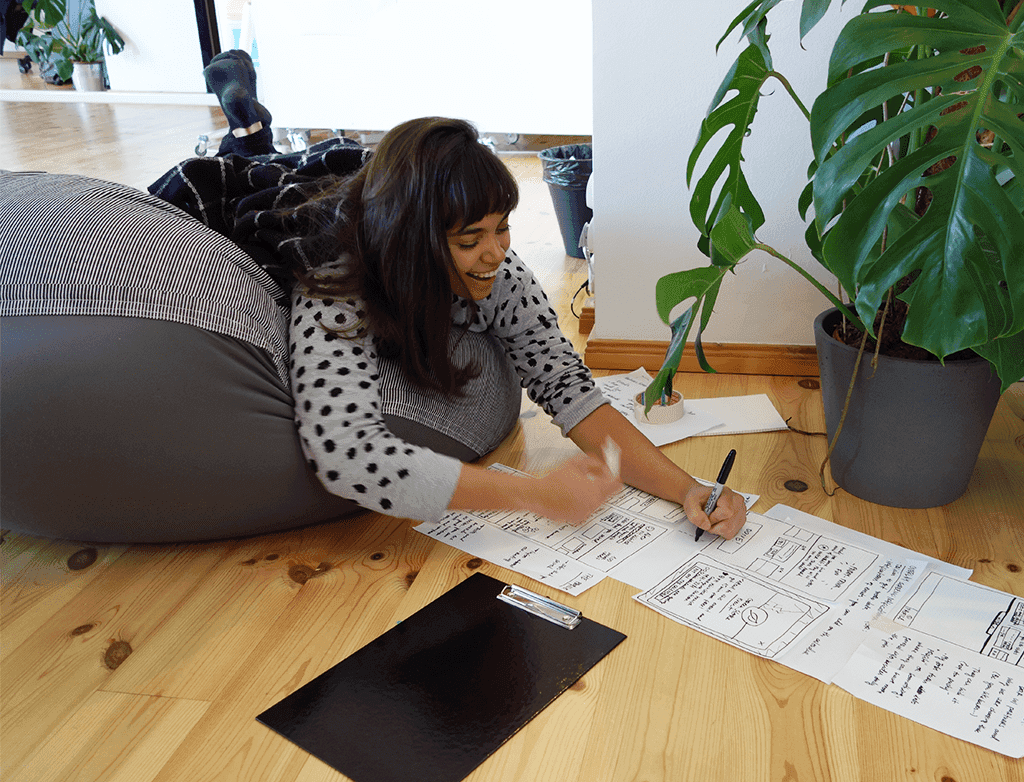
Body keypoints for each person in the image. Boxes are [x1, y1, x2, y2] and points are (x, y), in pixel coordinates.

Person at [0, 54, 746, 543]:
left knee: (303, 161)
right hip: (284, 217)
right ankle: (245, 124)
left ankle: (250, 122)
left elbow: (569, 389)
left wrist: (687, 489)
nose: (497, 251)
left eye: (503, 227)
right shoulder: (337, 284)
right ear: (422, 244)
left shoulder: (502, 275)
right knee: (250, 169)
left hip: (366, 192)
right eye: (470, 238)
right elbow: (348, 454)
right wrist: (534, 496)